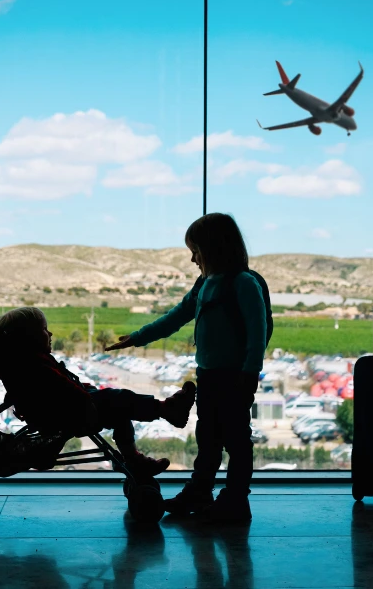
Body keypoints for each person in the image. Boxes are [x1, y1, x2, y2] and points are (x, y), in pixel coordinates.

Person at [106, 213, 267, 522]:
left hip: (234, 379)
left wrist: (250, 374)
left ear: (213, 247)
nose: (193, 258)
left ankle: (235, 500)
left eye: (196, 250)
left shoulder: (243, 284)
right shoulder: (205, 284)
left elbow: (256, 334)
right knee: (208, 438)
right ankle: (200, 492)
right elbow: (177, 316)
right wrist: (136, 338)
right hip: (208, 376)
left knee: (235, 440)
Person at [0, 307, 197, 477]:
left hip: (70, 409)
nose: (50, 334)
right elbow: (65, 389)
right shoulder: (35, 365)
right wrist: (89, 397)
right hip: (75, 411)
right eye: (44, 329)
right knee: (119, 399)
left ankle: (133, 458)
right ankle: (165, 410)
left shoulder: (26, 364)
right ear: (28, 337)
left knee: (120, 411)